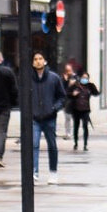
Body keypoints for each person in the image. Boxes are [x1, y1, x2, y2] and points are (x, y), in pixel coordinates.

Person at [28, 51, 67, 183]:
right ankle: (34, 172)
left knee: (52, 145)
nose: (38, 61)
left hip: (49, 117)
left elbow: (62, 96)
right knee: (34, 144)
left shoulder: (53, 78)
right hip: (35, 118)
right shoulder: (28, 79)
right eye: (35, 59)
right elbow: (22, 97)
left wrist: (54, 108)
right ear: (33, 62)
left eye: (40, 58)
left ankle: (53, 172)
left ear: (44, 61)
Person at [67, 70, 100, 151]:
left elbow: (96, 93)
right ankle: (76, 143)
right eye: (83, 77)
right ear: (80, 78)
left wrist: (93, 86)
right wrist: (72, 94)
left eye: (86, 78)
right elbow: (67, 94)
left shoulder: (89, 86)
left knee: (85, 126)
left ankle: (85, 144)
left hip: (85, 110)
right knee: (76, 126)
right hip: (76, 109)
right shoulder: (75, 85)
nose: (84, 79)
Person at [60, 63, 77, 138]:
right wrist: (66, 81)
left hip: (74, 101)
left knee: (74, 118)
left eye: (69, 70)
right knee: (67, 118)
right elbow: (62, 89)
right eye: (67, 70)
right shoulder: (63, 78)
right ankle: (68, 133)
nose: (68, 72)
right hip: (66, 101)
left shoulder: (75, 77)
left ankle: (74, 132)